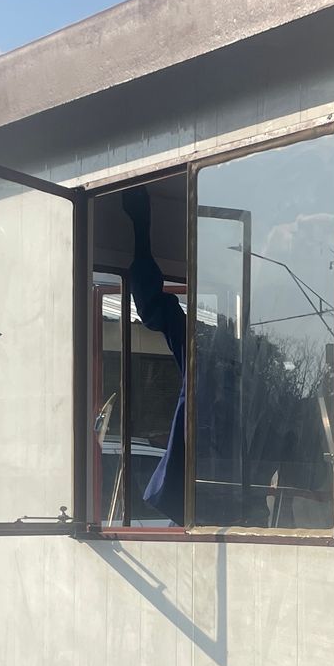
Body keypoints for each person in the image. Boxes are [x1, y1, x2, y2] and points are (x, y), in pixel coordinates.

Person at [121, 187, 188, 524]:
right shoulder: (202, 351)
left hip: (212, 499)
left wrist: (141, 228)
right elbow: (154, 306)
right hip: (197, 498)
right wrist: (141, 230)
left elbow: (154, 307)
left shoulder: (202, 352)